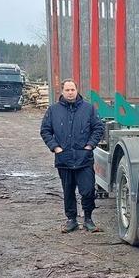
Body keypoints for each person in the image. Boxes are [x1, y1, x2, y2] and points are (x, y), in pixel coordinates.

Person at [40, 79, 105, 233]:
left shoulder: (88, 109)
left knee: (88, 190)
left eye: (72, 90)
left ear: (77, 90)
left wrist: (90, 146)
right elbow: (45, 130)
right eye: (67, 90)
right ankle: (71, 220)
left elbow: (98, 128)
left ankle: (88, 218)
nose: (70, 93)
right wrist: (55, 148)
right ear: (62, 91)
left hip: (84, 159)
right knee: (68, 191)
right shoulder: (53, 110)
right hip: (64, 159)